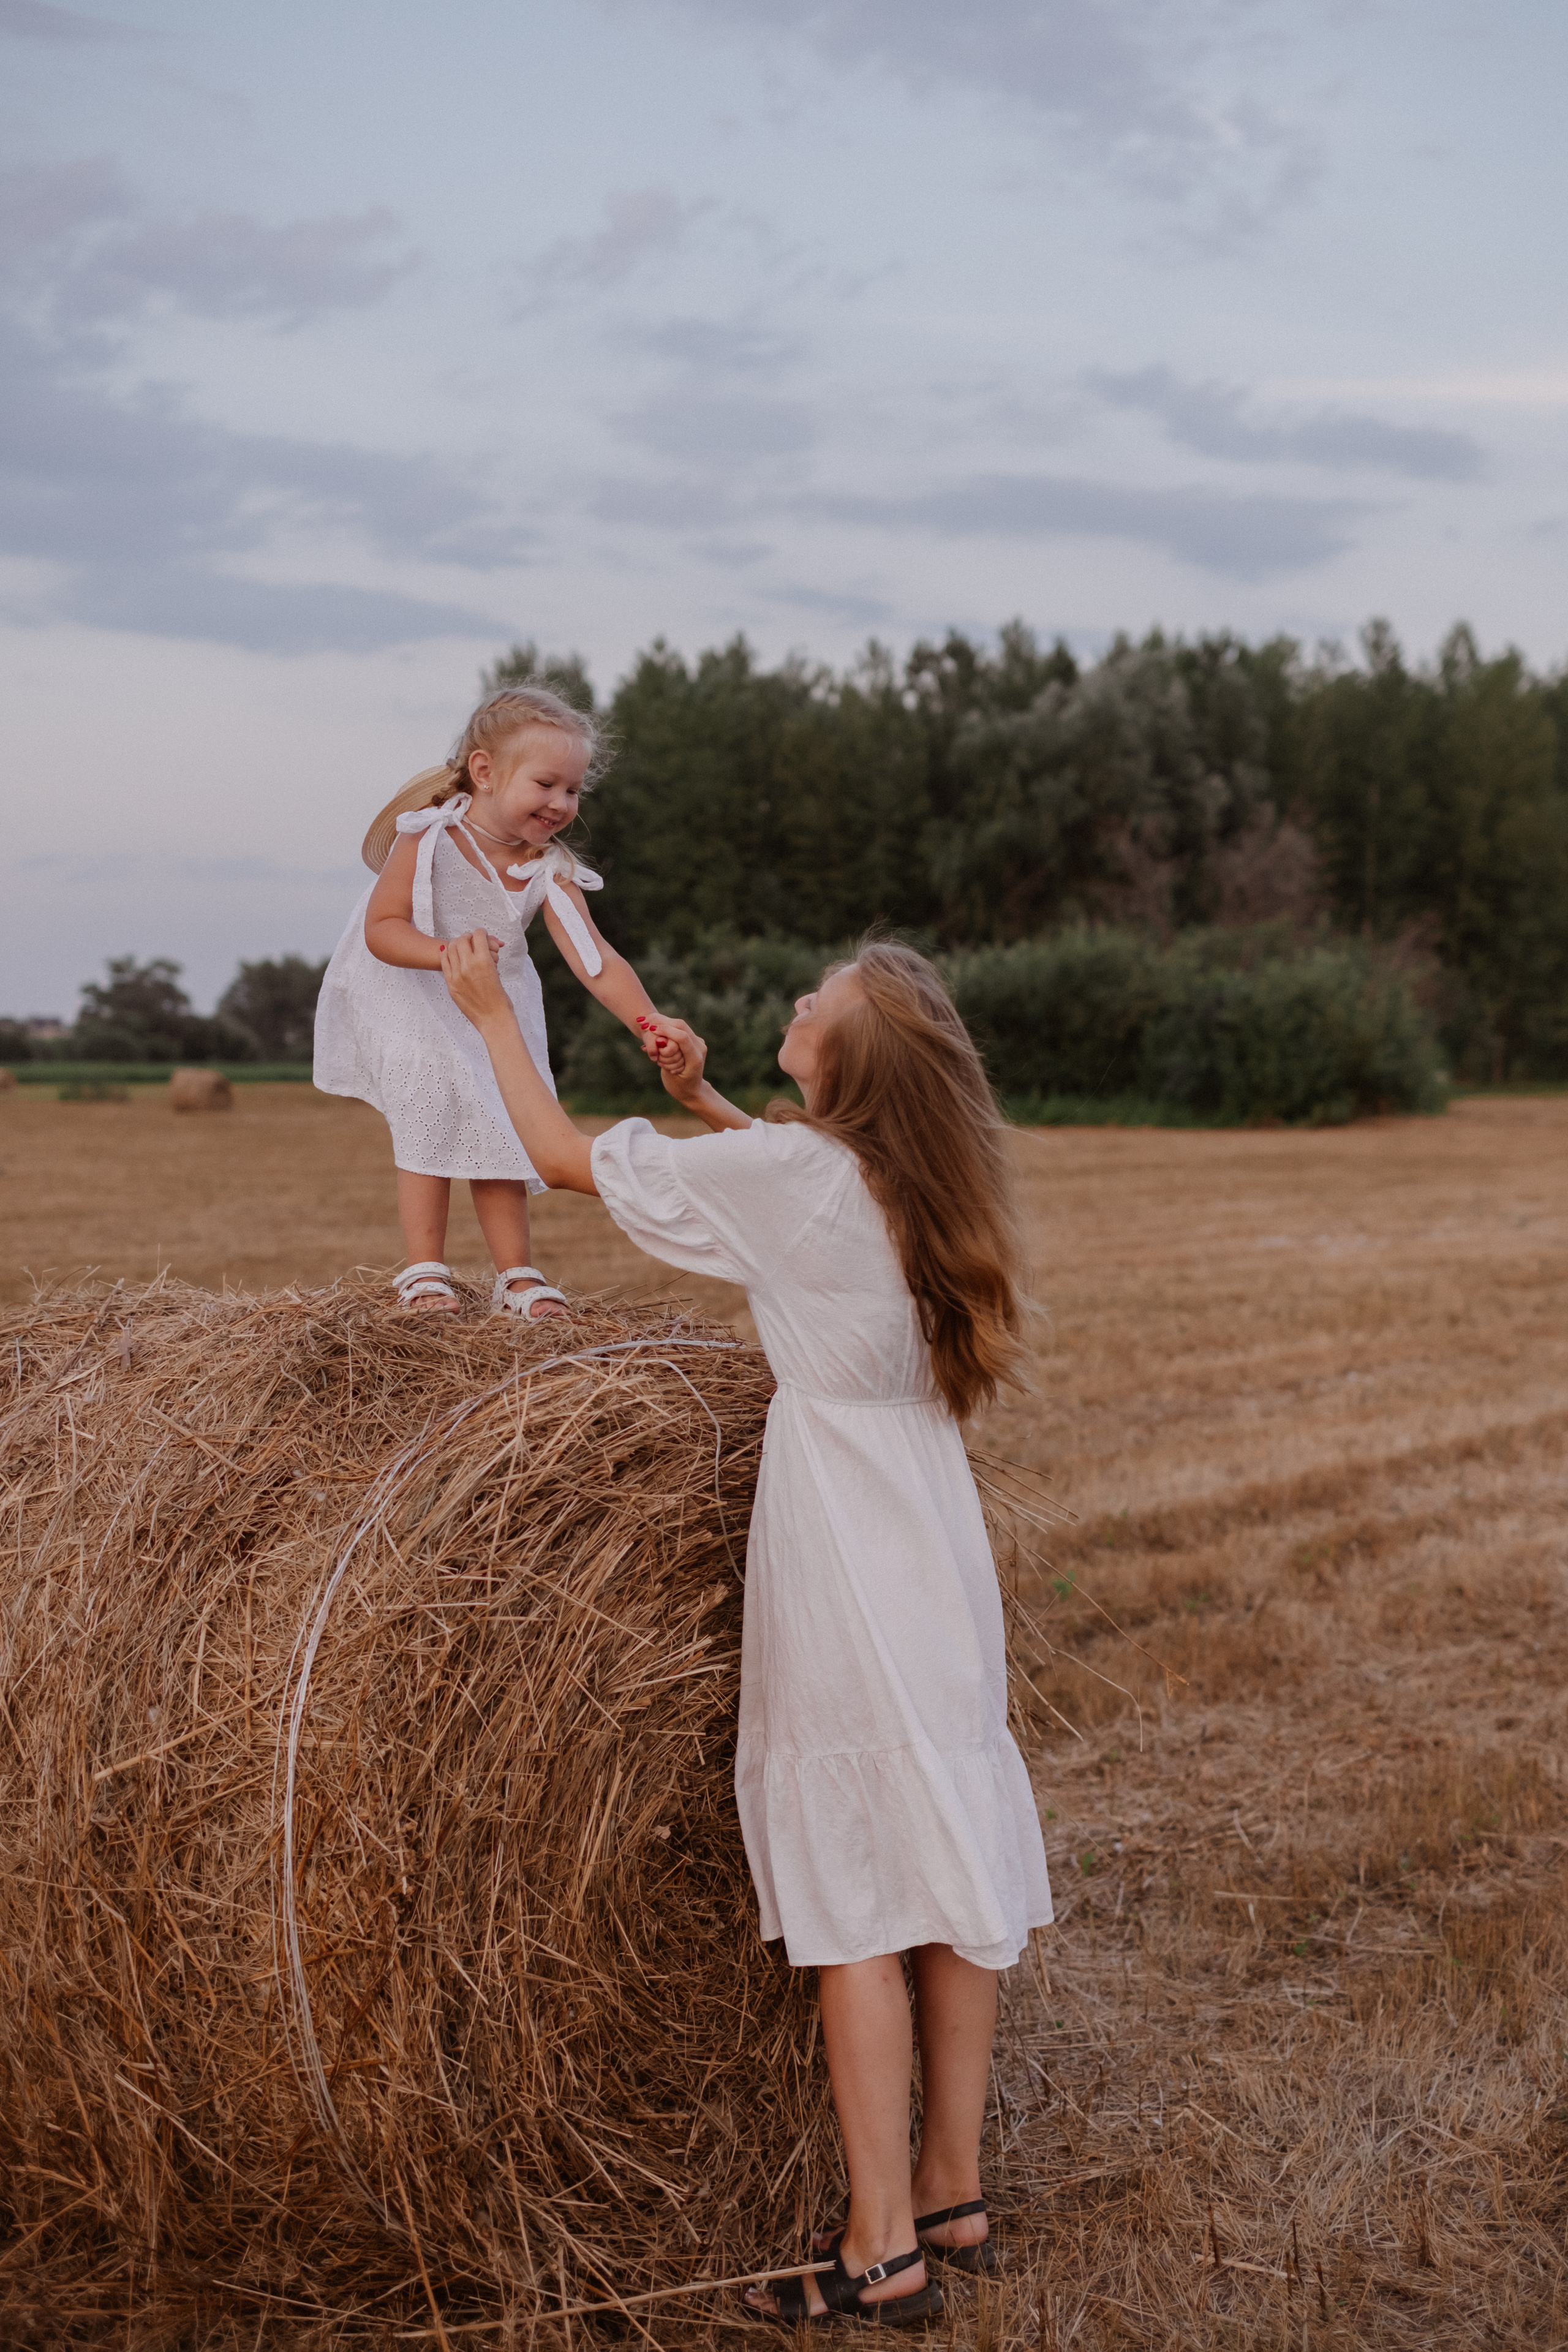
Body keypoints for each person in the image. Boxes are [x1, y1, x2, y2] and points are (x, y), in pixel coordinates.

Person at [440, 927, 1054, 2328]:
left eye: (810, 1001)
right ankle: (952, 2191)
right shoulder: (917, 1179)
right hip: (929, 1529)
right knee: (951, 1856)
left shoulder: (797, 1176)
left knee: (857, 1896)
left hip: (842, 1535)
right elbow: (801, 1196)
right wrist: (712, 1101)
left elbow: (554, 1153)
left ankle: (877, 2244)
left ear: (846, 1059)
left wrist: (489, 1014)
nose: (791, 999)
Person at [314, 682, 669, 1320]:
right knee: (427, 1120)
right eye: (547, 784)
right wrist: (448, 955)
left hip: (496, 1011)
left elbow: (597, 961)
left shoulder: (546, 868)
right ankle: (426, 1272)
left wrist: (648, 1022)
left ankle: (517, 1275)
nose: (562, 802)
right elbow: (383, 928)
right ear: (484, 772)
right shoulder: (426, 838)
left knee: (502, 1127)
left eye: (573, 789)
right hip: (417, 995)